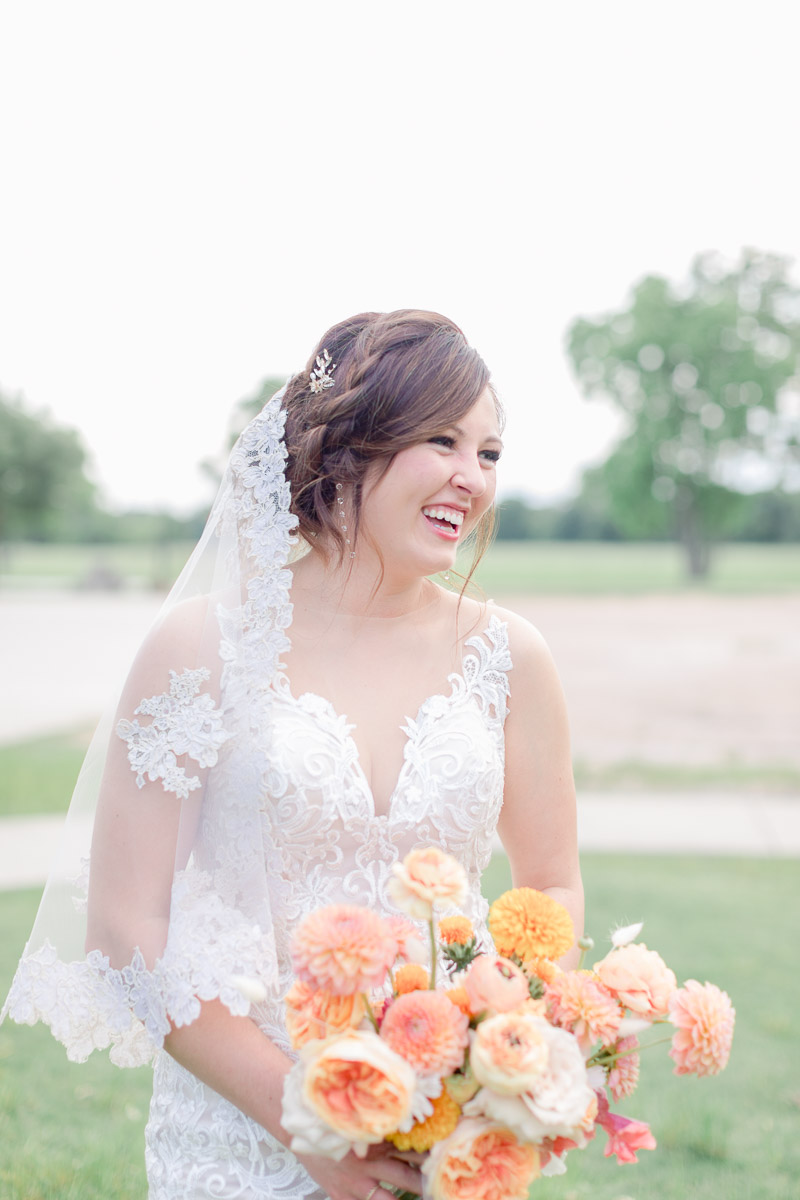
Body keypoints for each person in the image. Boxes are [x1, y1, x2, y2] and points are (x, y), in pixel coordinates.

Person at [3, 309, 583, 1199]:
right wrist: (307, 1123)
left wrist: (497, 1054)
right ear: (347, 444)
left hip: (445, 1133)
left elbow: (549, 885)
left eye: (491, 453)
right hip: (240, 1132)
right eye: (442, 440)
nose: (472, 478)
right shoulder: (200, 648)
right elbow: (125, 928)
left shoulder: (511, 659)